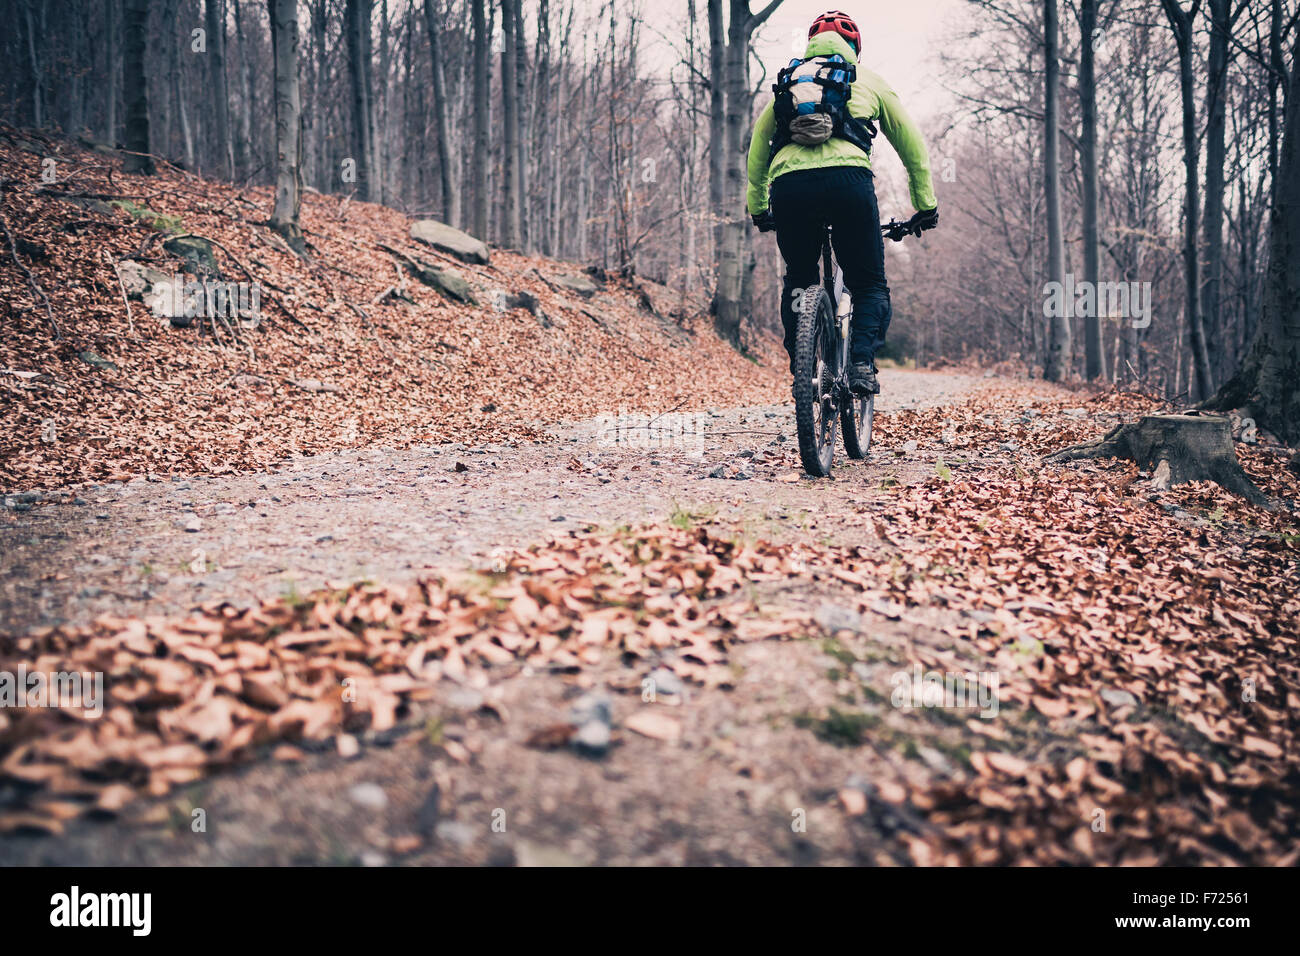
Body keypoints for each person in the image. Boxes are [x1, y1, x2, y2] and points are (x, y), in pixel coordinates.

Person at [747, 10, 939, 396]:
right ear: (855, 48)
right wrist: (925, 205)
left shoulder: (789, 81)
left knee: (800, 279)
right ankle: (861, 365)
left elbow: (757, 150)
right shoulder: (867, 80)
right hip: (848, 184)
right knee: (868, 284)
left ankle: (803, 370)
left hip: (790, 188)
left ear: (811, 44)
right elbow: (912, 146)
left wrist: (758, 207)